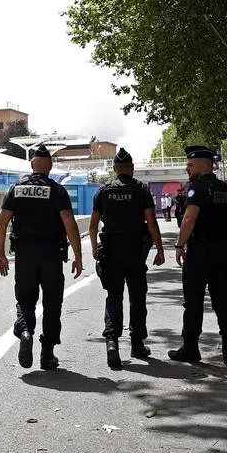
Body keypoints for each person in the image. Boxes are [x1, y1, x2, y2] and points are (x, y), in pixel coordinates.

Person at [0, 146, 83, 371]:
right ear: (50, 166)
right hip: (51, 255)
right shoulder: (57, 191)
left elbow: (2, 222)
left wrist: (0, 254)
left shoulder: (16, 189)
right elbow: (70, 224)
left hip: (24, 254)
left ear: (32, 164)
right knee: (52, 303)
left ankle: (25, 331)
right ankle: (47, 353)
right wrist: (78, 256)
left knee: (25, 300)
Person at [88, 147, 166, 367]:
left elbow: (93, 225)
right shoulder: (140, 190)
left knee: (114, 297)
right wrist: (159, 249)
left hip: (111, 253)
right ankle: (137, 344)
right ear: (131, 168)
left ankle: (112, 343)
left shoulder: (103, 191)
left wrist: (95, 248)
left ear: (114, 169)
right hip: (135, 253)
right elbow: (151, 222)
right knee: (137, 299)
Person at [169, 146, 227, 367]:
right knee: (221, 300)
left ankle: (191, 348)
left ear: (203, 165)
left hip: (200, 252)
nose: (187, 169)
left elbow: (189, 219)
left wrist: (180, 245)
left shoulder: (197, 188)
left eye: (190, 165)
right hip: (221, 251)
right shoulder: (225, 190)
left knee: (193, 301)